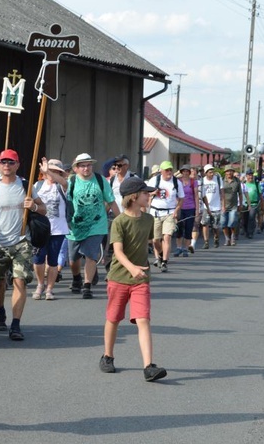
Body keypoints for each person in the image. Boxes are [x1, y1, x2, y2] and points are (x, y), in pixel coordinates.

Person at [99, 176, 167, 382]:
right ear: (134, 196)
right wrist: (132, 268)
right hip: (119, 277)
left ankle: (148, 366)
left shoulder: (149, 219)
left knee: (143, 319)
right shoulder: (119, 222)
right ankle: (108, 356)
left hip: (141, 280)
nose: (150, 195)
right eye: (146, 193)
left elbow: (147, 241)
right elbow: (117, 251)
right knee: (113, 318)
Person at [0, 148, 47, 340]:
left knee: (19, 281)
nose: (7, 165)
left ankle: (15, 325)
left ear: (17, 165)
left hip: (22, 241)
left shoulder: (26, 185)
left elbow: (43, 209)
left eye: (11, 162)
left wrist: (34, 207)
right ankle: (0, 310)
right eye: (3, 162)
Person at [66, 153, 120, 299]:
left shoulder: (100, 180)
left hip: (96, 224)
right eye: (82, 165)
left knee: (91, 256)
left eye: (88, 165)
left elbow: (111, 201)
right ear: (76, 168)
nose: (86, 168)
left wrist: (121, 220)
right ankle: (77, 278)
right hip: (76, 226)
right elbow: (66, 203)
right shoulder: (71, 181)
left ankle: (87, 286)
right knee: (73, 259)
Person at [32, 158, 69, 301]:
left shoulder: (63, 186)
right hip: (41, 229)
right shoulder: (38, 185)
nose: (51, 174)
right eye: (50, 171)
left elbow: (65, 183)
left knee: (53, 260)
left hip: (58, 229)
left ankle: (49, 289)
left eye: (55, 172)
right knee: (38, 259)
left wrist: (48, 171)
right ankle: (40, 284)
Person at [146, 160, 184, 271]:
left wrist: (177, 210)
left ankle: (164, 262)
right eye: (167, 170)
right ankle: (159, 256)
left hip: (169, 212)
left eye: (170, 170)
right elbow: (145, 193)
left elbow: (181, 198)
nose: (169, 172)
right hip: (155, 212)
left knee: (167, 237)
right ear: (161, 171)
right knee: (155, 240)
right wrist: (153, 193)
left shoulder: (176, 182)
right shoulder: (154, 180)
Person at [173, 165, 198, 257]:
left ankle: (185, 249)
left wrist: (197, 209)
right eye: (184, 171)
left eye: (187, 171)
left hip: (190, 208)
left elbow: (196, 196)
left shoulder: (193, 182)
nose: (185, 173)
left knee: (188, 228)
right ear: (181, 172)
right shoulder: (177, 181)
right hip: (180, 208)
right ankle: (178, 247)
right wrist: (175, 207)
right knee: (179, 228)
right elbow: (174, 194)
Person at [200, 164, 224, 248]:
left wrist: (223, 205)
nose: (212, 174)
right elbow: (202, 195)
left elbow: (222, 192)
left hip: (216, 206)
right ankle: (206, 242)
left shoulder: (218, 179)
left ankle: (216, 238)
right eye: (210, 172)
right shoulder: (202, 181)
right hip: (206, 207)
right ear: (206, 173)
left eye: (212, 172)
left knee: (215, 226)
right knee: (205, 224)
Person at [220, 166, 242, 246]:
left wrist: (241, 204)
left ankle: (232, 237)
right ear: (225, 172)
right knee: (223, 223)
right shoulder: (222, 181)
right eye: (228, 171)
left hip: (234, 205)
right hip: (223, 205)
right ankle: (227, 238)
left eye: (231, 171)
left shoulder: (237, 181)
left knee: (232, 222)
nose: (229, 173)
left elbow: (240, 193)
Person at [242, 169, 261, 238]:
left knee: (251, 217)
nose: (250, 177)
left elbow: (260, 194)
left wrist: (262, 203)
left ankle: (250, 232)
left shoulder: (256, 184)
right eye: (249, 175)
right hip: (245, 204)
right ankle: (245, 231)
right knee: (245, 218)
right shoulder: (243, 184)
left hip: (254, 204)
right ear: (246, 176)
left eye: (251, 175)